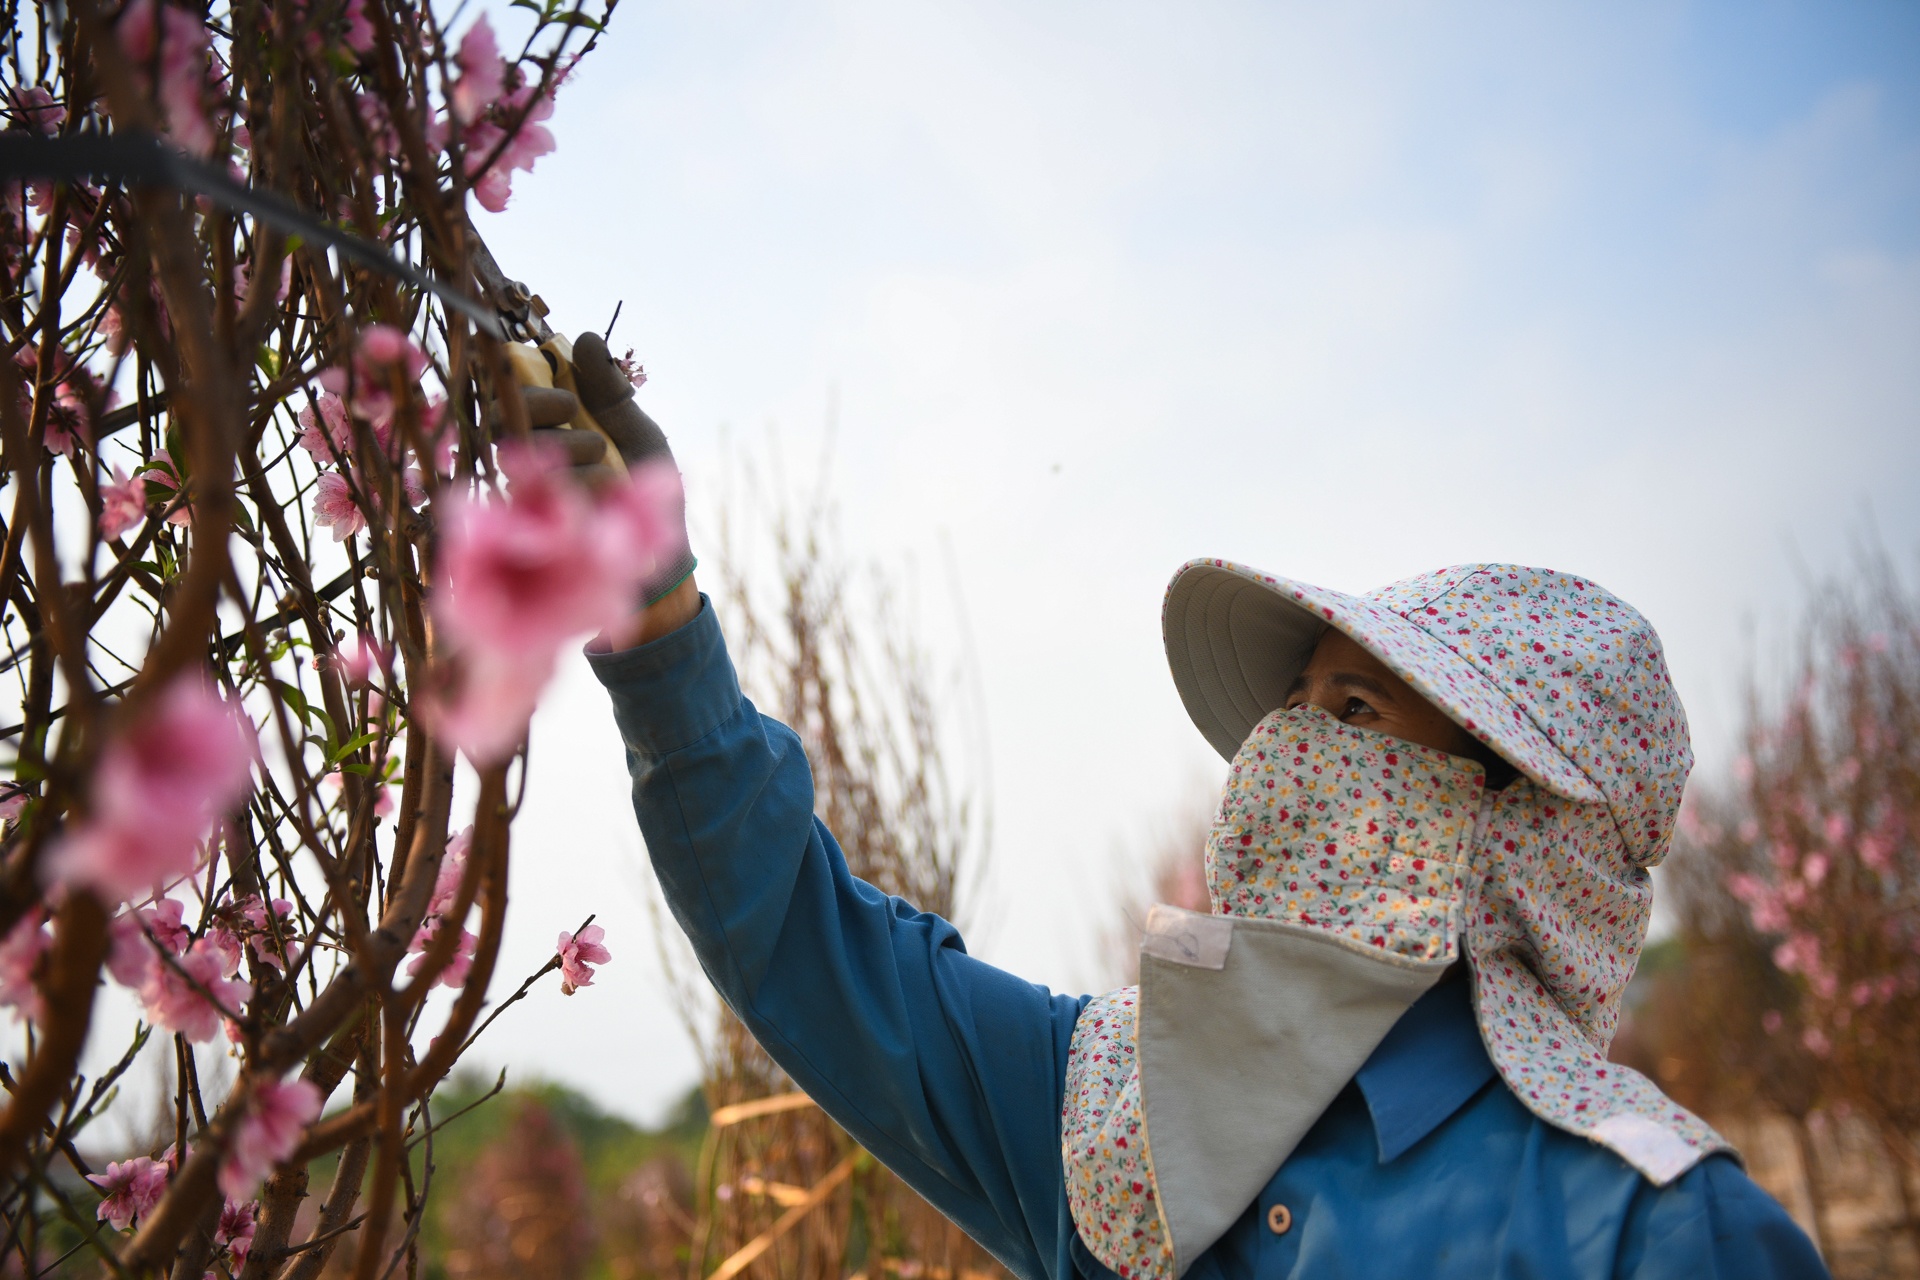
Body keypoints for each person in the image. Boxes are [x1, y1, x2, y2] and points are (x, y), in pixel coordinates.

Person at [535, 337, 1829, 1280]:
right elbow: (808, 948)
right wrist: (655, 622)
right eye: (1299, 706)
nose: (1282, 751)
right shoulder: (1118, 1117)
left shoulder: (1654, 1232)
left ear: (1522, 835)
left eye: (1359, 716)